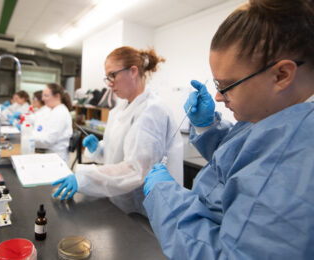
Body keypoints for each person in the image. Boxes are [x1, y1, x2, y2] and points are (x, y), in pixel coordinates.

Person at [143, 0, 314, 259]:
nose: (219, 97)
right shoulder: (280, 116)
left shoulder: (295, 161)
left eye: (228, 85)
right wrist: (207, 126)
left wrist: (167, 199)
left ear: (281, 75)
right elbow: (246, 158)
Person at [52, 46, 184, 216]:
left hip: (145, 211)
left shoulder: (152, 111)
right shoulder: (120, 108)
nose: (109, 83)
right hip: (120, 201)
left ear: (133, 71)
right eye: (107, 77)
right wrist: (99, 149)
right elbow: (120, 153)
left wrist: (86, 177)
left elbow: (136, 169)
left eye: (113, 75)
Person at [33, 84, 72, 163]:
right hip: (49, 155)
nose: (43, 99)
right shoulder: (52, 111)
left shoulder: (60, 113)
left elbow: (47, 140)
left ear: (57, 96)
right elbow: (41, 131)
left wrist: (27, 139)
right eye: (43, 96)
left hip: (56, 159)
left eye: (46, 96)